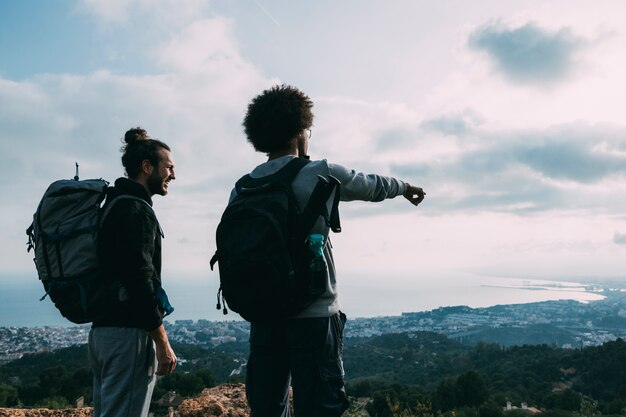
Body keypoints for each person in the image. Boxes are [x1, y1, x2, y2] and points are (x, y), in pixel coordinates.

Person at [237, 85, 426, 417]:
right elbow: (371, 185)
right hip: (313, 314)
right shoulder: (317, 173)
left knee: (266, 408)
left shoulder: (242, 187)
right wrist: (405, 187)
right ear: (300, 130)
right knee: (321, 405)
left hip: (264, 314)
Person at [89, 127, 178, 417]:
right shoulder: (136, 211)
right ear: (146, 167)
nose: (173, 175)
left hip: (103, 333)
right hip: (128, 335)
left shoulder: (113, 204)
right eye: (169, 167)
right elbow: (140, 282)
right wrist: (161, 343)